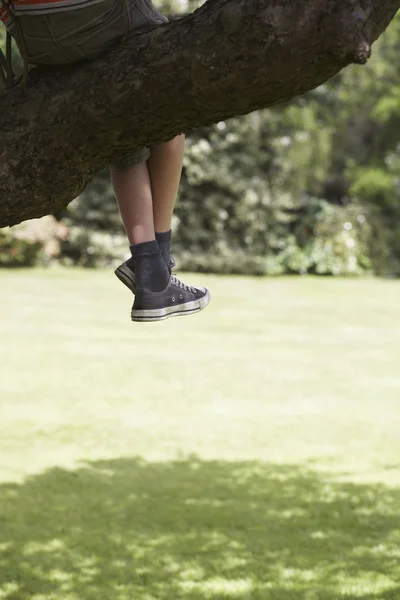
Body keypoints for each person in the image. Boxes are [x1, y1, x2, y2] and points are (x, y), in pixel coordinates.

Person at [0, 0, 211, 322]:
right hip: (103, 18)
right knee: (170, 120)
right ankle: (157, 265)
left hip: (38, 40)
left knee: (125, 142)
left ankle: (148, 265)